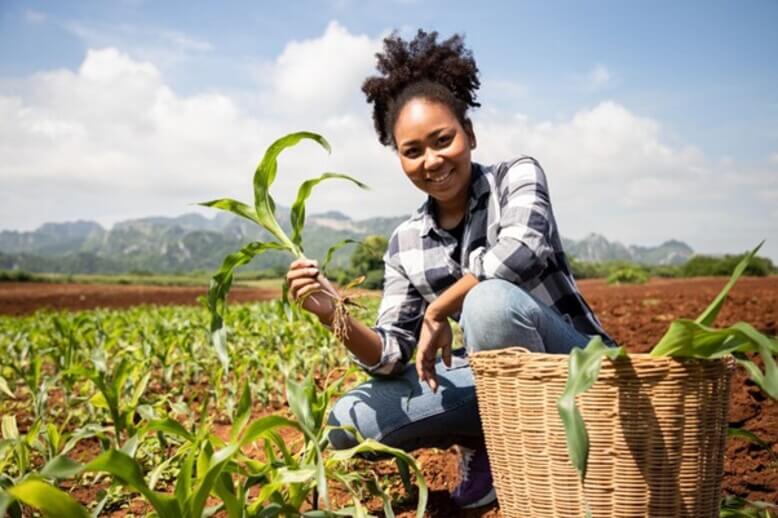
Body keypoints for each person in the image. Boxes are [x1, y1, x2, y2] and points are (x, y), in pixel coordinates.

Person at [285, 29, 614, 509]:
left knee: (489, 304)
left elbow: (521, 251)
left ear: (470, 134)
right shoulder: (406, 243)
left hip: (579, 367)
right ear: (399, 158)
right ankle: (493, 443)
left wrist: (439, 308)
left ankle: (547, 458)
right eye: (413, 151)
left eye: (443, 140)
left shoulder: (516, 176)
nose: (432, 161)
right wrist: (333, 313)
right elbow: (392, 355)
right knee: (349, 422)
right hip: (498, 379)